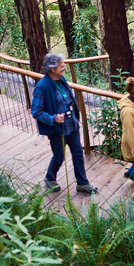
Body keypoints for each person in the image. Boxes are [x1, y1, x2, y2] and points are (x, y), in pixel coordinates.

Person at [31, 53, 98, 194]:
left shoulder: (61, 80)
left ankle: (82, 183)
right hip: (57, 129)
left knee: (78, 153)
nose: (64, 68)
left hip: (71, 125)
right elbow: (36, 112)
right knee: (59, 156)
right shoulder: (41, 87)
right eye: (62, 66)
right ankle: (50, 178)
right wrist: (53, 118)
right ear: (52, 69)